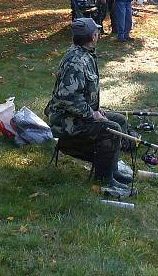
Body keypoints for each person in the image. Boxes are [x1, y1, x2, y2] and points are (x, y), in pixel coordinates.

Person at [44, 18, 134, 196]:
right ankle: (103, 182)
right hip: (64, 121)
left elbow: (80, 94)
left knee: (120, 120)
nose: (99, 34)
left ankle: (111, 170)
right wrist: (91, 114)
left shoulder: (85, 54)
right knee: (111, 129)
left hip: (77, 115)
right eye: (97, 32)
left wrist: (95, 110)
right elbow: (67, 98)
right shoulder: (76, 61)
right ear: (93, 36)